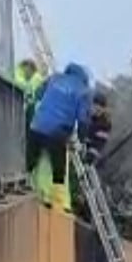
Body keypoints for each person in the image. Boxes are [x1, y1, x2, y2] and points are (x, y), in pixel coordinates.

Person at [28, 62, 93, 213]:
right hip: (58, 131)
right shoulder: (83, 91)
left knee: (36, 163)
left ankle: (37, 195)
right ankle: (59, 204)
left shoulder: (54, 79)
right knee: (58, 168)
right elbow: (83, 119)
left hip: (38, 126)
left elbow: (37, 94)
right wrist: (82, 141)